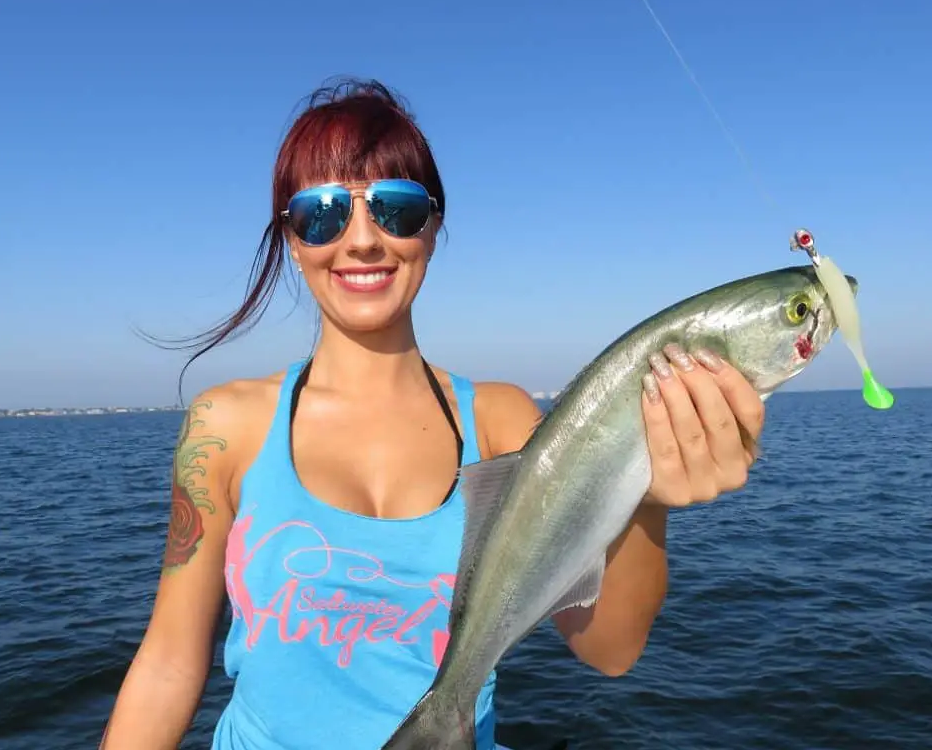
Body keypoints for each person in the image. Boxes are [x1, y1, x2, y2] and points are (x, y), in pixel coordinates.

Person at [99, 78, 765, 750]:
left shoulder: (503, 420)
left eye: (396, 207)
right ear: (292, 240)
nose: (361, 240)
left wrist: (646, 494)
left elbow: (611, 649)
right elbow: (168, 663)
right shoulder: (225, 425)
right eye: (322, 214)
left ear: (434, 228)